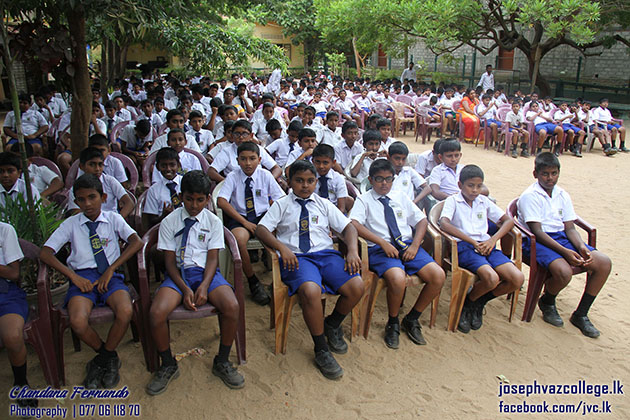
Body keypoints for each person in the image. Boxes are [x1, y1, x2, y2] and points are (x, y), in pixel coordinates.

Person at [256, 160, 364, 380]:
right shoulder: (282, 204)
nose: (305, 186)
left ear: (316, 182)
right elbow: (262, 229)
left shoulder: (323, 203)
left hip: (325, 255)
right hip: (297, 258)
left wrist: (352, 250)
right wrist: (281, 248)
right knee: (310, 291)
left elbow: (348, 227)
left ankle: (332, 324)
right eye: (299, 181)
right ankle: (321, 347)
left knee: (356, 286)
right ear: (290, 182)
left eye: (310, 181)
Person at [40, 174, 143, 388]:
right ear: (76, 202)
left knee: (125, 311)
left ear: (103, 197)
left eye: (92, 197)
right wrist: (73, 276)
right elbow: (46, 253)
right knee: (77, 321)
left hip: (111, 276)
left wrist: (112, 269)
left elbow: (136, 242)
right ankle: (108, 357)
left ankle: (101, 360)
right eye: (81, 199)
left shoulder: (113, 218)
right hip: (83, 277)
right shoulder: (71, 224)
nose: (87, 203)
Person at [147, 171, 245, 394]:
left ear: (207, 199)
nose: (194, 204)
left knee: (232, 306)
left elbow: (212, 259)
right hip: (178, 275)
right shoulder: (170, 221)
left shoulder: (212, 221)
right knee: (156, 312)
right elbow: (169, 262)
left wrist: (202, 286)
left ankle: (222, 360)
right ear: (181, 197)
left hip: (206, 274)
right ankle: (168, 363)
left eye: (200, 200)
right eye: (189, 199)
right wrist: (183, 288)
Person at [350, 159, 444, 347]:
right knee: (397, 278)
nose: (384, 183)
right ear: (370, 179)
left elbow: (421, 221)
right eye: (379, 179)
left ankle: (412, 318)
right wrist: (382, 243)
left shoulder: (400, 196)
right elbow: (354, 224)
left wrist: (415, 246)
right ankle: (393, 322)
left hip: (406, 245)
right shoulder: (364, 199)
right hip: (380, 249)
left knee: (437, 276)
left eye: (388, 179)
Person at [517, 153, 612, 338]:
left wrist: (581, 246)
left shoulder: (562, 194)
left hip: (561, 237)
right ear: (535, 174)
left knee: (603, 263)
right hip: (537, 241)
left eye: (554, 173)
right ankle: (548, 301)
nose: (550, 178)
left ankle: (581, 314)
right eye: (545, 174)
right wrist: (566, 252)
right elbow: (537, 231)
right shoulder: (530, 196)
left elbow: (570, 227)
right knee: (564, 272)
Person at [438, 165, 524, 333]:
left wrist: (493, 240)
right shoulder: (453, 201)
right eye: (470, 185)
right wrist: (471, 241)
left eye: (479, 186)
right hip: (465, 247)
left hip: (487, 245)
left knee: (517, 278)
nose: (475, 190)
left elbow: (508, 221)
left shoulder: (484, 201)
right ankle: (468, 304)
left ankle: (477, 302)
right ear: (460, 184)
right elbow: (444, 223)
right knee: (491, 278)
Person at [217, 142, 285, 305]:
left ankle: (283, 277)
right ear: (237, 160)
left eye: (252, 159)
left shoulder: (265, 175)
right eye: (243, 159)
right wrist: (244, 222)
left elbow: (280, 198)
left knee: (282, 235)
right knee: (239, 239)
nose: (248, 163)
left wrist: (273, 219)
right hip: (240, 218)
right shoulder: (233, 176)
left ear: (259, 159)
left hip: (262, 217)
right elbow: (221, 200)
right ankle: (253, 281)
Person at [0, 222, 38, 407]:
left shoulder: (4, 230)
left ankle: (21, 383)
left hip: (5, 292)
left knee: (13, 337)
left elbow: (14, 273)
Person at [66, 148, 134, 218]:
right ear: (82, 167)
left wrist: (118, 221)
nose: (97, 169)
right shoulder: (77, 187)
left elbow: (129, 203)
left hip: (111, 222)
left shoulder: (110, 181)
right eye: (92, 165)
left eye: (100, 164)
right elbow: (75, 211)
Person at [208, 120, 281, 183]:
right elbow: (211, 172)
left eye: (244, 134)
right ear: (232, 135)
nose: (241, 137)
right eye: (237, 134)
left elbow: (277, 169)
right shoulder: (227, 152)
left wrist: (268, 182)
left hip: (259, 185)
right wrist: (227, 183)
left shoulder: (259, 149)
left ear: (251, 136)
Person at [143, 147, 183, 228]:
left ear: (178, 165)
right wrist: (163, 216)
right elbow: (151, 220)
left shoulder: (186, 183)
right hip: (164, 228)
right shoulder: (154, 190)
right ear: (158, 167)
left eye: (172, 165)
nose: (168, 169)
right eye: (164, 166)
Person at [312, 144, 351, 213]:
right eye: (318, 162)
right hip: (314, 211)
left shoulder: (338, 179)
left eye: (325, 163)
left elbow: (341, 208)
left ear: (333, 163)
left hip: (334, 212)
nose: (321, 166)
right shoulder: (310, 178)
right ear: (313, 161)